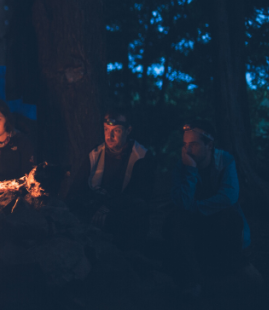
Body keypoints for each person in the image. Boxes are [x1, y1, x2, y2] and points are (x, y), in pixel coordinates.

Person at [164, 119, 251, 298]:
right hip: (194, 224)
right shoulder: (182, 165)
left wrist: (196, 207)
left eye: (194, 144)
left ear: (209, 145)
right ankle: (193, 281)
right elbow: (181, 203)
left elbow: (229, 196)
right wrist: (190, 171)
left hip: (218, 220)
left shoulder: (225, 161)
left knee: (230, 216)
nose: (187, 150)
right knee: (173, 220)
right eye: (185, 144)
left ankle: (229, 272)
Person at [68, 108, 154, 249]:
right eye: (106, 129)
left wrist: (109, 207)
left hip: (123, 214)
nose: (110, 135)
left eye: (117, 131)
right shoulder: (95, 154)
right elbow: (76, 189)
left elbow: (141, 195)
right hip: (95, 210)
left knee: (137, 210)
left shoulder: (141, 157)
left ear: (128, 130)